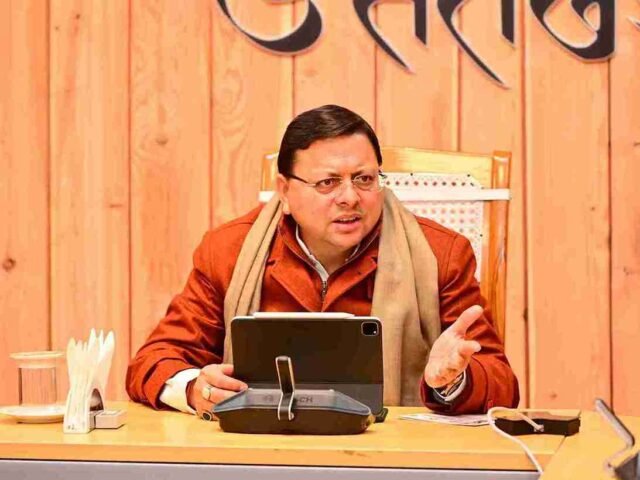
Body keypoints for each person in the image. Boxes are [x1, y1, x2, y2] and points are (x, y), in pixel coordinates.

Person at [126, 104, 519, 418]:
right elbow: (154, 360)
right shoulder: (229, 250)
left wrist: (453, 381)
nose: (350, 198)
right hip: (263, 456)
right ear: (284, 190)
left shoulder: (440, 255)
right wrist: (194, 389)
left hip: (390, 461)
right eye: (328, 183)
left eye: (364, 179)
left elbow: (502, 383)